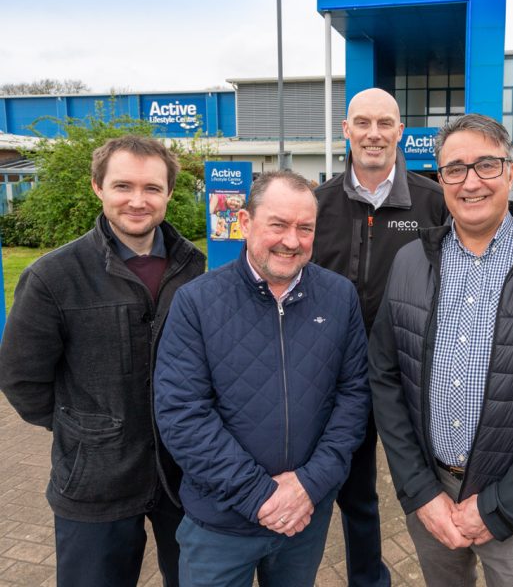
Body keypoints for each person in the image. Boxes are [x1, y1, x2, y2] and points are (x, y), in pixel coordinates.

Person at [369, 113, 513, 586]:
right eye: (455, 169)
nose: (470, 181)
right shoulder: (411, 261)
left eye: (486, 166)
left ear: (511, 172)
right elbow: (386, 376)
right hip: (433, 492)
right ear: (441, 179)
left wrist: (503, 505)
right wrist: (418, 490)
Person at [0, 135, 206, 587]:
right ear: (98, 187)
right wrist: (83, 428)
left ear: (170, 193)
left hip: (182, 477)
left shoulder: (194, 268)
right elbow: (21, 378)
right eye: (122, 186)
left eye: (152, 188)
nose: (138, 200)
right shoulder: (53, 277)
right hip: (94, 484)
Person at [154, 170, 371, 587]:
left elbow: (353, 397)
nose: (292, 240)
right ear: (246, 223)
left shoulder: (340, 296)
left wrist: (309, 485)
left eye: (304, 228)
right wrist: (261, 496)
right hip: (220, 523)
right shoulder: (196, 302)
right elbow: (183, 415)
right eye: (278, 224)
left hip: (304, 518)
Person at [313, 87, 449, 586]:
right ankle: (368, 579)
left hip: (413, 373)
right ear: (346, 130)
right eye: (362, 123)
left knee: (433, 482)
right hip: (335, 378)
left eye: (385, 123)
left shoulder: (435, 203)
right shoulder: (317, 204)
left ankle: (448, 566)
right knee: (354, 492)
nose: (374, 134)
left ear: (400, 132)